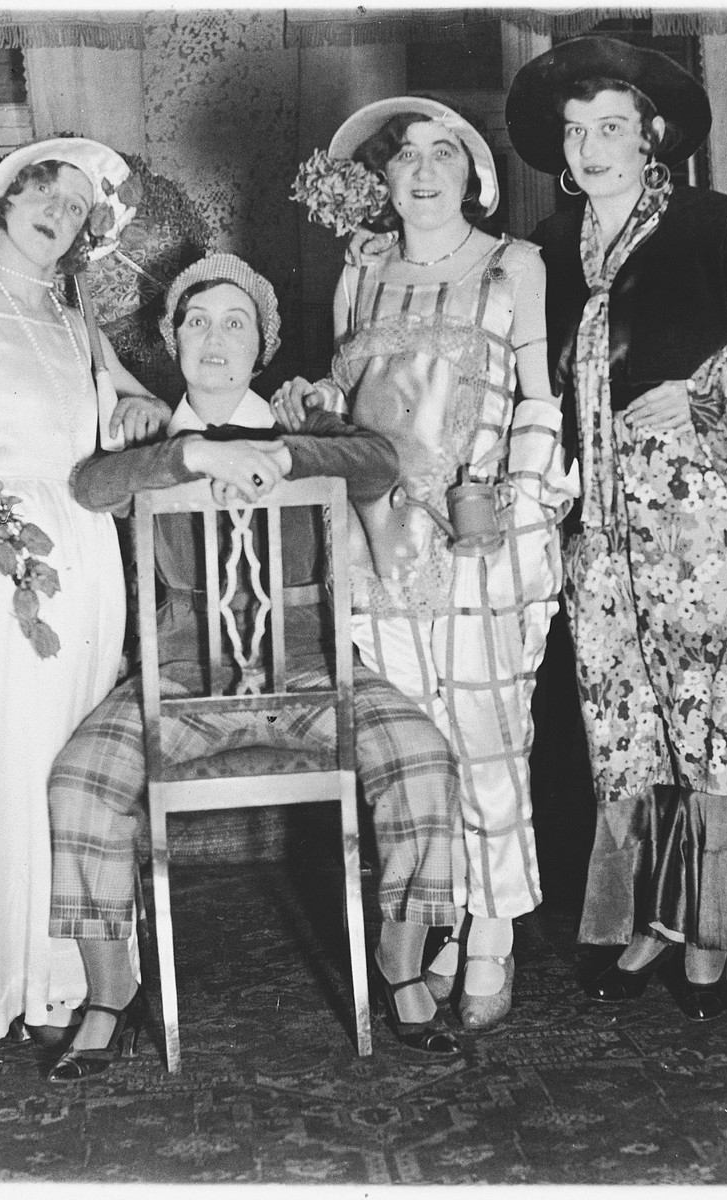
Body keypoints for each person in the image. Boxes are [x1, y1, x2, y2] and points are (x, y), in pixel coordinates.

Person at [45, 254, 466, 1079]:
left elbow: (381, 465)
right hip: (177, 683)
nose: (215, 337)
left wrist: (298, 453)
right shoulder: (144, 437)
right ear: (171, 341)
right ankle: (108, 991)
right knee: (78, 782)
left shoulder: (305, 429)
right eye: (197, 321)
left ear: (262, 345)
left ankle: (402, 963)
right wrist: (192, 458)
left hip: (312, 674)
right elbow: (93, 487)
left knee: (421, 756)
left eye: (235, 322)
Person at [505, 36, 727, 1019]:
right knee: (621, 724)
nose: (590, 146)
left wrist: (706, 392)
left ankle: (717, 927)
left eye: (611, 126)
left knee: (706, 720)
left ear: (651, 134)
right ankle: (649, 916)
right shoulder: (545, 253)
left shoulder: (710, 226)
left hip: (700, 525)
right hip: (599, 532)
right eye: (575, 131)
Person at [277, 98, 575, 1031]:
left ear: (473, 174)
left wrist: (512, 513)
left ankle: (492, 931)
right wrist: (316, 401)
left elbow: (541, 397)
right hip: (376, 545)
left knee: (488, 740)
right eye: (405, 155)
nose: (422, 168)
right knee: (417, 753)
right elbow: (350, 393)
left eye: (443, 151)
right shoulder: (358, 274)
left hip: (480, 538)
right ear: (382, 179)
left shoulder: (511, 264)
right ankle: (438, 922)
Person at [0, 138, 169, 1047]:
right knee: (1, 767)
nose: (60, 210)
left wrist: (132, 412)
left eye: (77, 202)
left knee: (73, 765)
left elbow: (146, 414)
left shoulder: (74, 321)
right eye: (42, 192)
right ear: (1, 207)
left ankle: (75, 978)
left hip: (87, 553)